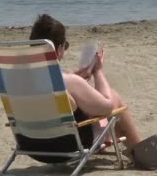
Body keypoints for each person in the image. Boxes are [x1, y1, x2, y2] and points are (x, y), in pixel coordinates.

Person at [28, 13, 142, 153]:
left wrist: (75, 79)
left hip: (34, 145)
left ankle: (135, 149)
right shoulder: (69, 82)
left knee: (84, 103)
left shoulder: (20, 79)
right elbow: (107, 107)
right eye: (65, 46)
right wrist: (97, 71)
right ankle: (139, 150)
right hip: (69, 145)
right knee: (113, 96)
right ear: (58, 50)